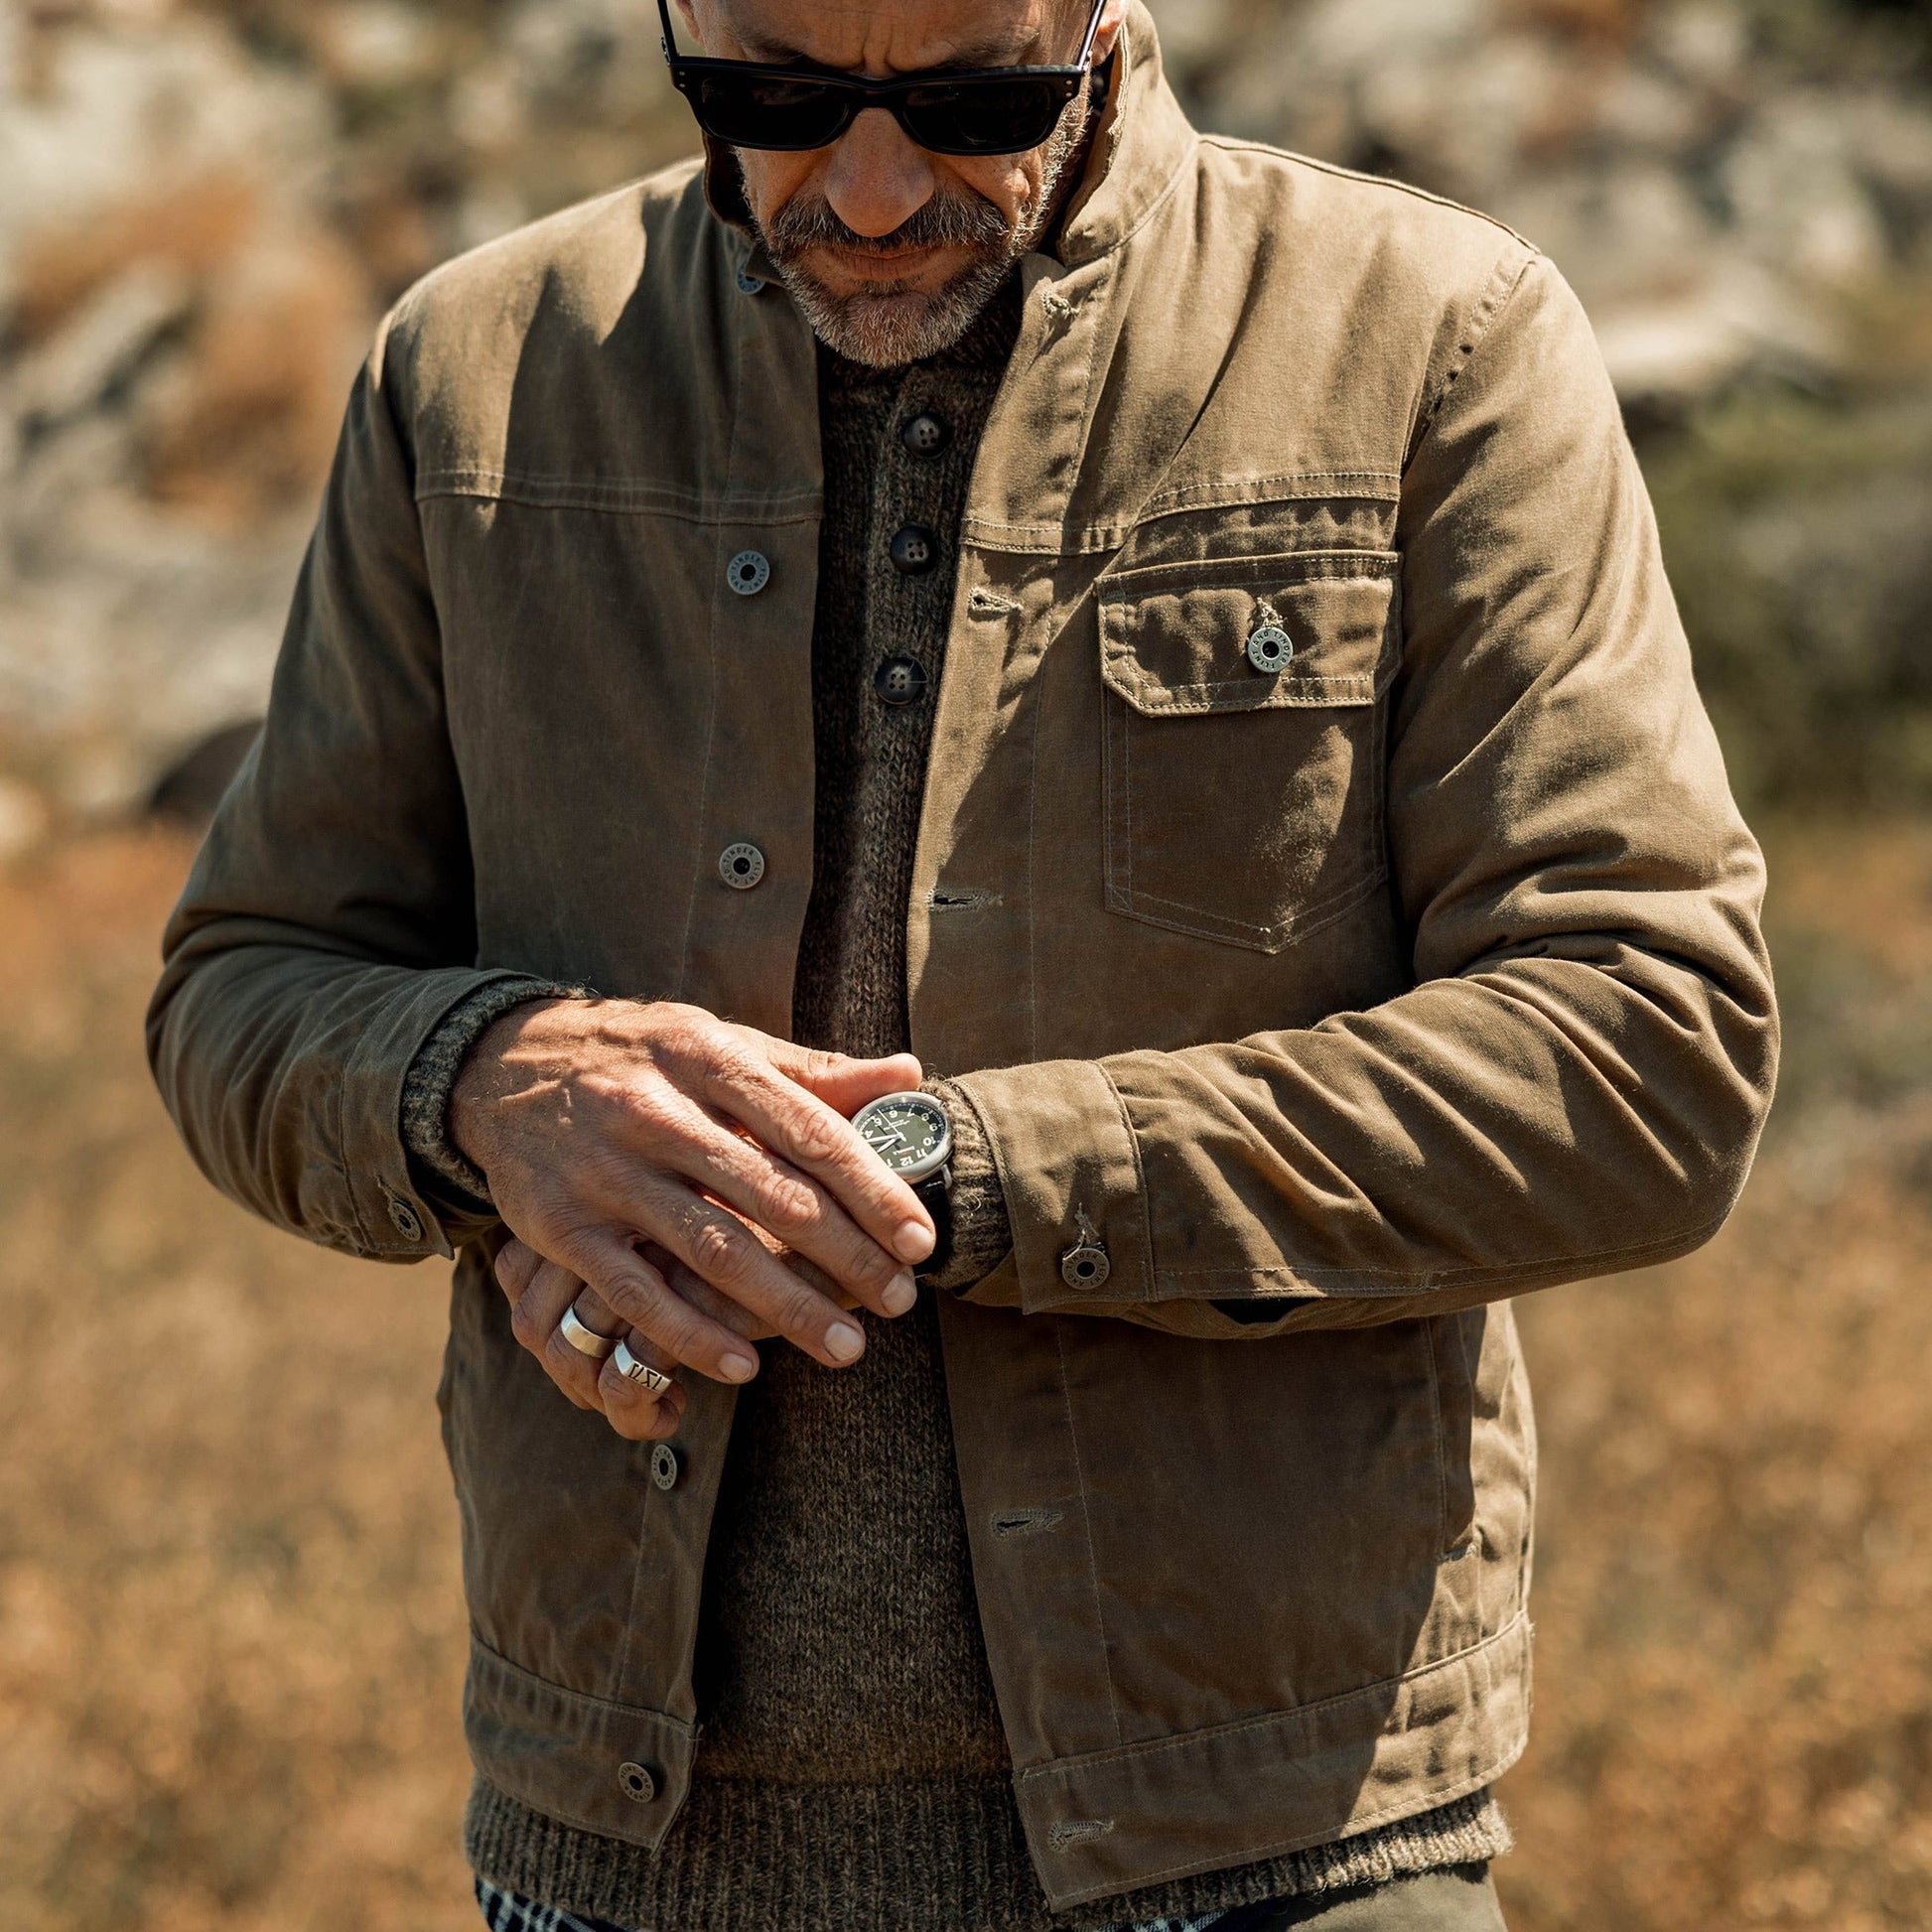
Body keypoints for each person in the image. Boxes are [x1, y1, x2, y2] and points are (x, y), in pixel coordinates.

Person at [147, 1, 1779, 1927]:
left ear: (1094, 24)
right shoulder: (470, 372)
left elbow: (1645, 1047)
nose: (865, 191)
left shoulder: (1434, 336)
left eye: (972, 103)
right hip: (623, 1867)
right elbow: (245, 981)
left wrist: (955, 1176)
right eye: (768, 95)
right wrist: (492, 1091)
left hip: (1277, 1851)